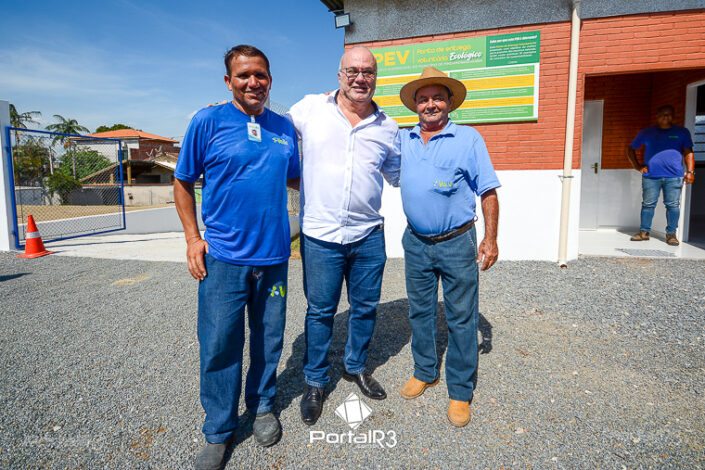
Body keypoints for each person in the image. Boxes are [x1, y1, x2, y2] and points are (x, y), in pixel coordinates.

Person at [173, 44, 300, 470]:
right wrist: (193, 238)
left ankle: (262, 406)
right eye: (244, 75)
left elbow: (298, 179)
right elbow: (183, 181)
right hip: (224, 258)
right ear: (229, 81)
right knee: (219, 343)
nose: (253, 82)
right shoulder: (207, 122)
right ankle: (219, 430)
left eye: (260, 75)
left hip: (274, 258)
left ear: (270, 80)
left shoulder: (283, 128)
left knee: (269, 337)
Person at [286, 46, 400, 425]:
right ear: (339, 75)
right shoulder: (310, 109)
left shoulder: (387, 127)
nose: (360, 78)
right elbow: (272, 135)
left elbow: (401, 174)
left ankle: (356, 366)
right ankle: (315, 381)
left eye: (368, 72)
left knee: (365, 307)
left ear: (375, 78)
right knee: (320, 311)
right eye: (352, 70)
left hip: (368, 235)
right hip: (320, 235)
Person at [396, 67, 500, 427]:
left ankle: (460, 390)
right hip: (416, 241)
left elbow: (488, 190)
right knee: (420, 312)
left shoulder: (468, 138)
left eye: (438, 97)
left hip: (457, 241)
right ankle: (425, 371)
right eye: (423, 99)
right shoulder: (404, 140)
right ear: (415, 105)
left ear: (450, 102)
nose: (430, 104)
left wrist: (490, 239)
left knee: (461, 316)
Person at [627, 104, 696, 245]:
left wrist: (690, 171)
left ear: (673, 116)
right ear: (657, 116)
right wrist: (637, 166)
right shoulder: (646, 133)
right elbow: (631, 148)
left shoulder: (682, 132)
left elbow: (688, 152)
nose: (666, 117)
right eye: (663, 114)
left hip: (674, 177)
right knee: (648, 205)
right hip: (651, 176)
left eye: (669, 114)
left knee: (673, 206)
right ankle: (644, 232)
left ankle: (671, 234)